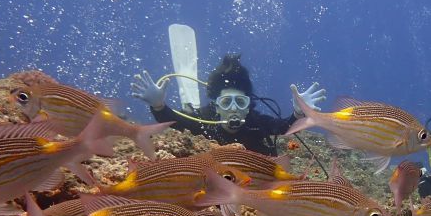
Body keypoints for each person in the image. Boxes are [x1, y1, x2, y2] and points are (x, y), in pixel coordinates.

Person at [131, 53, 325, 156]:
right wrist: (159, 106)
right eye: (226, 101)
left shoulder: (255, 122)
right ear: (216, 106)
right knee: (188, 113)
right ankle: (189, 102)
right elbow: (174, 122)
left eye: (240, 102)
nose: (233, 108)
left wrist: (300, 113)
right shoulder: (203, 120)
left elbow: (283, 127)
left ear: (248, 105)